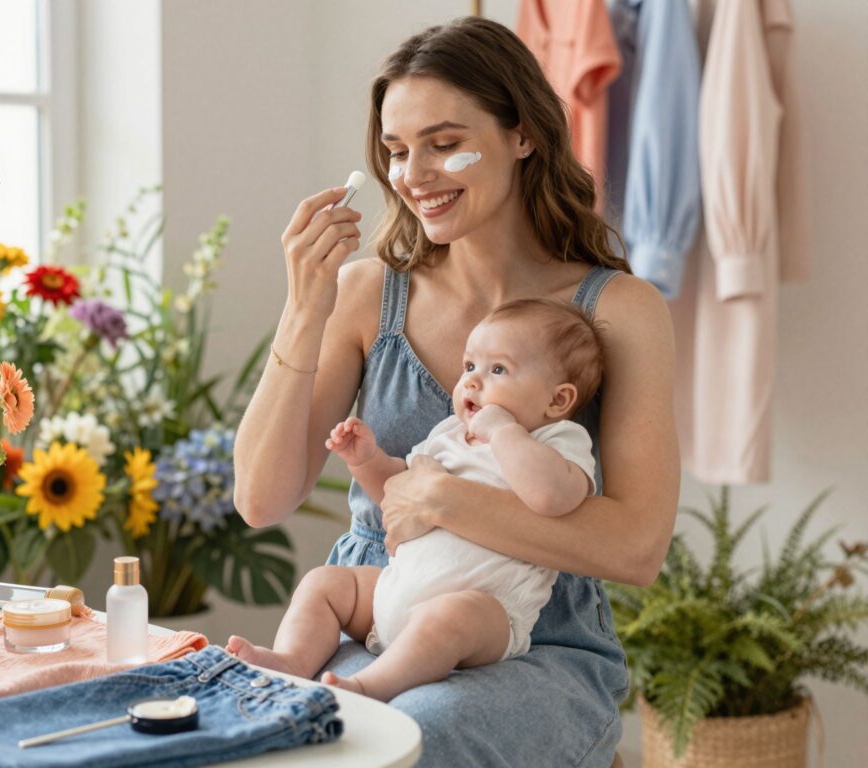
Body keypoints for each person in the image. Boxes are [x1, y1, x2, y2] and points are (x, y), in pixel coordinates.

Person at [233, 15, 679, 768]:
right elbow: (261, 499)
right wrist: (306, 308)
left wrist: (439, 500)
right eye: (398, 151)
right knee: (259, 725)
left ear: (523, 136)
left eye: (444, 143)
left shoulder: (615, 311)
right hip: (376, 613)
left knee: (418, 735)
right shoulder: (367, 293)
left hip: (529, 636)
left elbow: (636, 549)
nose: (413, 175)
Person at [228, 298, 603, 702]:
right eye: (469, 366)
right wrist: (367, 460)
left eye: (498, 370)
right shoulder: (449, 433)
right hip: (394, 590)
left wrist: (503, 432)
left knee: (450, 617)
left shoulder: (557, 441)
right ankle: (291, 661)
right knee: (325, 583)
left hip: (485, 614)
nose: (473, 381)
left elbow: (550, 497)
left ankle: (370, 686)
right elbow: (402, 493)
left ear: (558, 400)